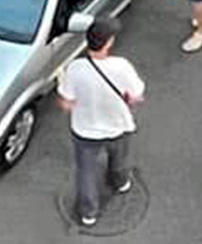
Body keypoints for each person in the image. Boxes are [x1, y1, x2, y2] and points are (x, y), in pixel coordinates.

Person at [56, 17, 146, 227]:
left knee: (86, 171)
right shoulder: (121, 66)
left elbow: (66, 103)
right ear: (109, 43)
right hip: (118, 127)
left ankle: (89, 213)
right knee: (119, 158)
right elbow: (136, 95)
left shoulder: (75, 69)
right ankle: (120, 182)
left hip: (85, 131)